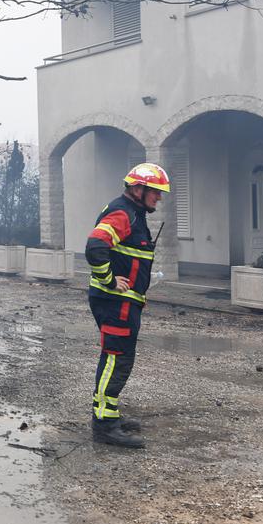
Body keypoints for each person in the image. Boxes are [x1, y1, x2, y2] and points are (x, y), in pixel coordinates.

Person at [84, 162, 169, 449]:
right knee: (116, 358)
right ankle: (104, 426)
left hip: (122, 302)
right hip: (115, 302)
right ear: (138, 189)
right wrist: (109, 280)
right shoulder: (123, 213)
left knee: (117, 357)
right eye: (155, 191)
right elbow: (95, 246)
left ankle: (108, 414)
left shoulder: (133, 213)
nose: (159, 197)